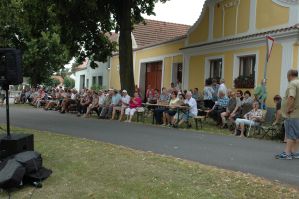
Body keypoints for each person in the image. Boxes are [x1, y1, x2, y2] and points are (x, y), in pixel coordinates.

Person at [275, 69, 299, 160]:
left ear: (289, 75)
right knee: (297, 134)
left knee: (290, 134)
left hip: (292, 114)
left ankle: (287, 153)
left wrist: (288, 109)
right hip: (298, 114)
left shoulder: (292, 84)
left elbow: (291, 96)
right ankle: (295, 153)